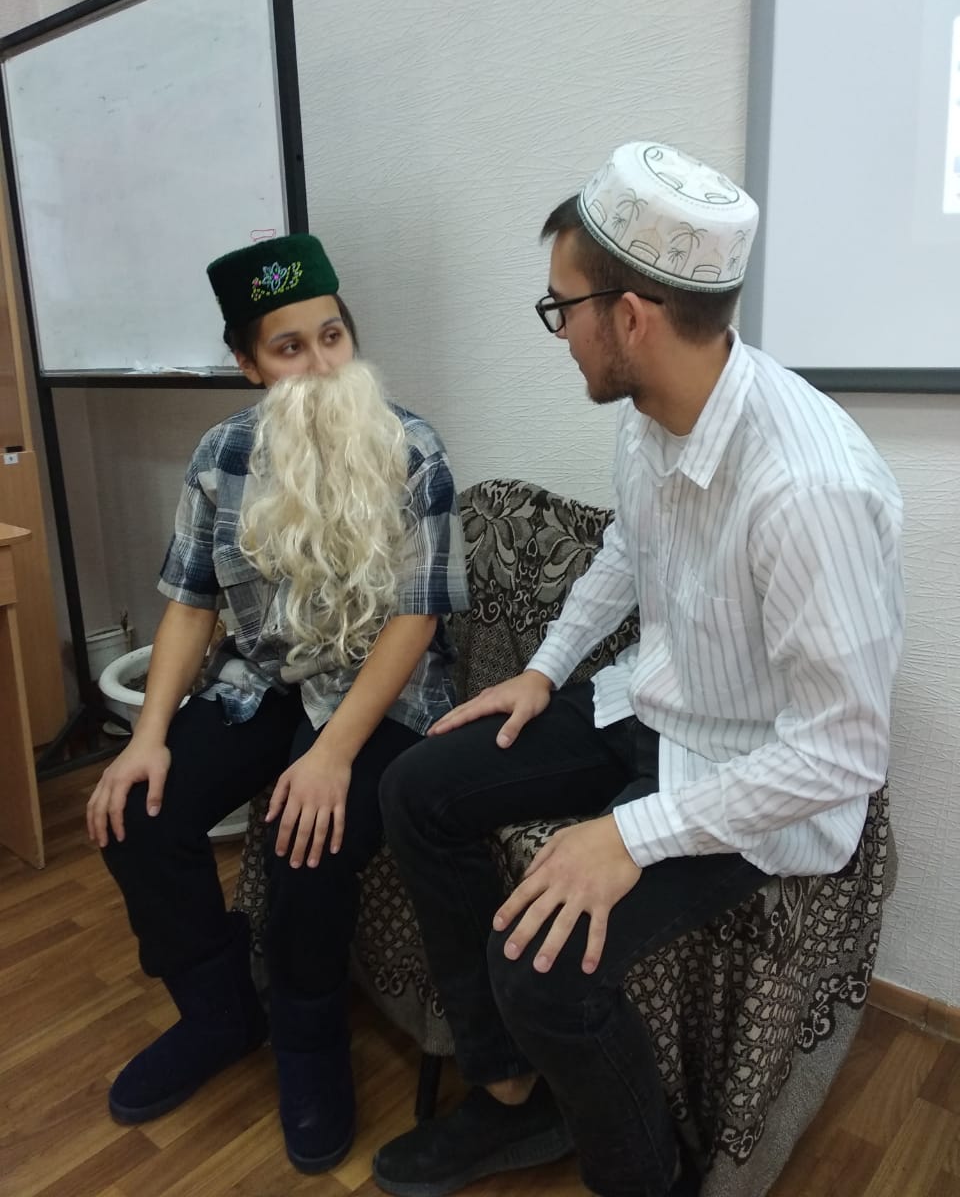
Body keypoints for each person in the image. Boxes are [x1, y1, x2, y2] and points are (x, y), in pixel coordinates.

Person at [372, 141, 904, 1197]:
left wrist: (629, 835)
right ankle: (511, 1095)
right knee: (416, 788)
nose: (559, 331)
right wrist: (543, 669)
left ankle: (647, 1176)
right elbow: (628, 548)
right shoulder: (651, 415)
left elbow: (842, 753)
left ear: (629, 317)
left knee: (540, 971)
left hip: (756, 775)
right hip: (651, 706)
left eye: (561, 307)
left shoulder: (809, 487)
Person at [85, 233, 468, 1174]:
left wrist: (332, 755)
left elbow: (415, 620)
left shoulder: (414, 448)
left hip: (383, 696)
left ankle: (308, 1040)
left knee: (310, 841)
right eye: (289, 347)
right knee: (138, 815)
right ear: (249, 362)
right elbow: (190, 603)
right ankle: (220, 1013)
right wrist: (147, 737)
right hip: (263, 680)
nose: (321, 363)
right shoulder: (223, 454)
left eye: (332, 336)